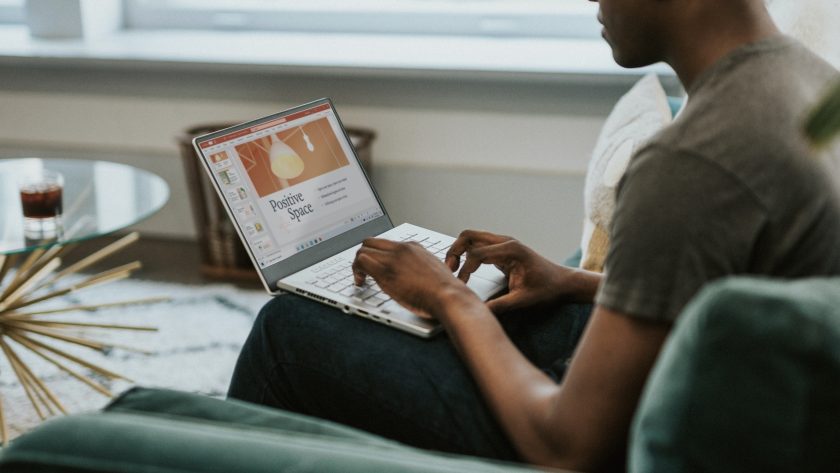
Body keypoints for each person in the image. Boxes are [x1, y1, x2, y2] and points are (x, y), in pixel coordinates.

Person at [228, 0, 840, 470]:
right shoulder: (811, 84)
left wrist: (451, 297)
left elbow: (565, 449)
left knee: (288, 332)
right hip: (725, 396)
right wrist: (573, 281)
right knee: (495, 313)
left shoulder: (694, 160)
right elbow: (741, 293)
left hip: (624, 444)